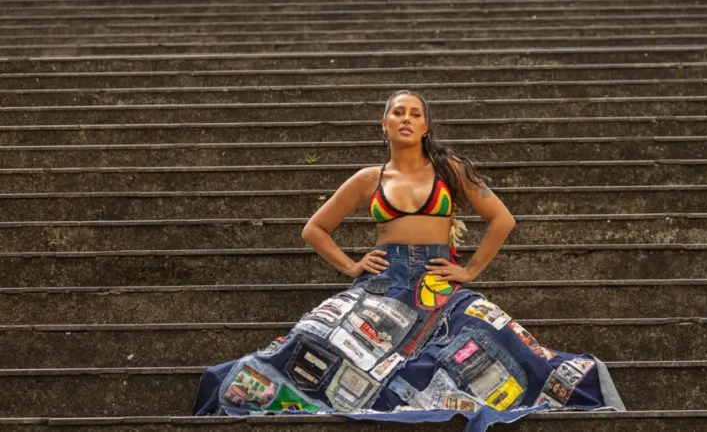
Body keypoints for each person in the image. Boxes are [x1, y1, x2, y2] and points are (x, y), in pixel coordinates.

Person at [192, 90, 625, 428]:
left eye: (415, 113)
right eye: (398, 112)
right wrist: (351, 267)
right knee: (312, 337)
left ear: (425, 126)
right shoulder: (369, 178)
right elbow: (314, 229)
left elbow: (502, 220)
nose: (406, 119)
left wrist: (470, 270)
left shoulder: (449, 168)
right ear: (384, 124)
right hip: (383, 286)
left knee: (502, 340)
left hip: (440, 285)